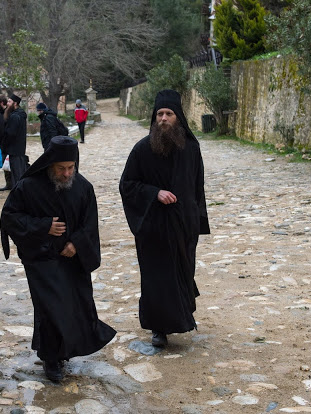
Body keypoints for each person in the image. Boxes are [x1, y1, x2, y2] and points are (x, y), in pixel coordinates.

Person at [0, 136, 116, 382]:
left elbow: (90, 224)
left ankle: (66, 350)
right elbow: (10, 217)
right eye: (61, 169)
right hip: (42, 259)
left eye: (70, 168)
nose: (66, 174)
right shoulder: (28, 186)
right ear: (50, 165)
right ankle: (51, 358)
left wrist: (77, 243)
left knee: (76, 306)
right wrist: (43, 227)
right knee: (51, 309)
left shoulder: (83, 187)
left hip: (73, 261)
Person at [119, 89, 210, 348]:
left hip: (183, 225)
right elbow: (127, 184)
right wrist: (154, 193)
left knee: (182, 272)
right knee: (156, 278)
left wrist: (196, 220)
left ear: (178, 117)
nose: (163, 118)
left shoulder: (191, 149)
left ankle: (181, 318)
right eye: (159, 114)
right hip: (153, 228)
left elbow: (197, 187)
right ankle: (158, 328)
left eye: (169, 113)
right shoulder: (141, 150)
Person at [2, 93, 28, 188]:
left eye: (9, 101)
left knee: (17, 173)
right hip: (18, 149)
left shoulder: (15, 116)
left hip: (14, 149)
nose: (7, 104)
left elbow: (10, 133)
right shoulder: (18, 115)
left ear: (15, 103)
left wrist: (4, 143)